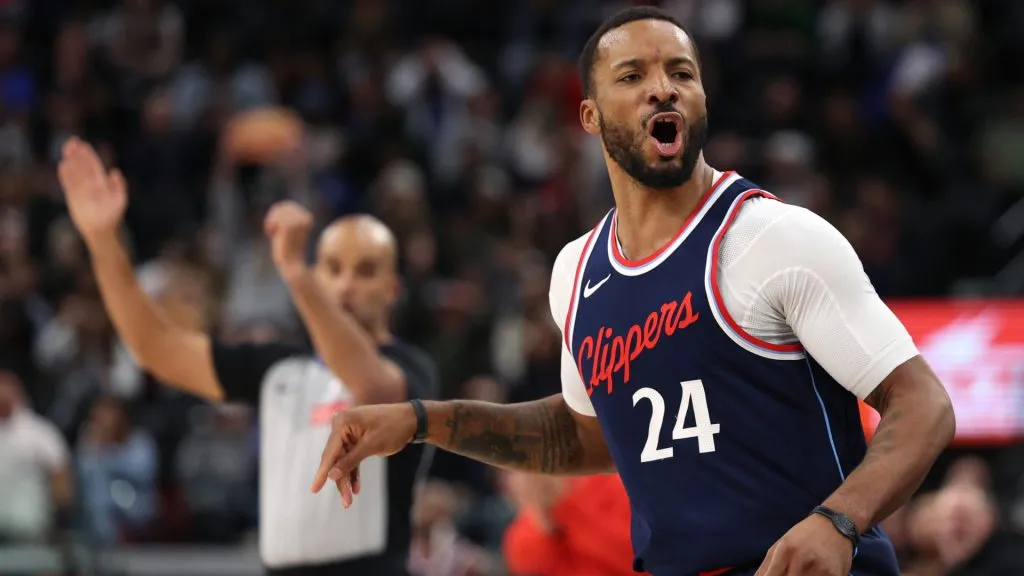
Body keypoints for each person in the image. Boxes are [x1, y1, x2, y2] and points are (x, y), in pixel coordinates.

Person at [313, 6, 956, 576]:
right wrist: (421, 421)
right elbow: (584, 436)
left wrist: (839, 522)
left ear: (703, 96)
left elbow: (923, 403)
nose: (662, 89)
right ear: (589, 116)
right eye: (632, 76)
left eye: (681, 72)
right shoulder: (576, 270)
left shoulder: (771, 238)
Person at [57, 138, 438, 575]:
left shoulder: (411, 366)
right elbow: (158, 349)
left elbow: (372, 388)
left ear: (393, 290)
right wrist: (103, 240)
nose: (347, 285)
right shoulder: (277, 368)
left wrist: (297, 276)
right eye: (333, 268)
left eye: (366, 270)